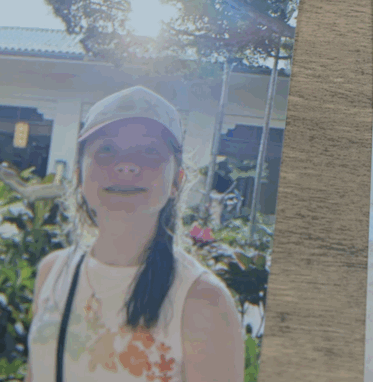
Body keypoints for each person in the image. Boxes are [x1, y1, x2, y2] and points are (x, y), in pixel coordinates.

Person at [25, 86, 244, 382]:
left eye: (149, 151)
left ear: (177, 180)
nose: (126, 165)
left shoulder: (203, 301)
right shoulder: (52, 274)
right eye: (107, 150)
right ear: (78, 173)